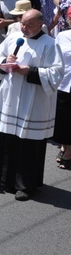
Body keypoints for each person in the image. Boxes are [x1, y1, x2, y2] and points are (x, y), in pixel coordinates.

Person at [0, 9, 63, 201]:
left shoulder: (50, 44)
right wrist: (5, 62)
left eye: (29, 25)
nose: (24, 28)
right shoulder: (13, 37)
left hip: (33, 100)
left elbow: (57, 73)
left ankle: (24, 185)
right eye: (23, 24)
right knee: (5, 137)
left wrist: (31, 71)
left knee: (27, 143)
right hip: (10, 96)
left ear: (40, 24)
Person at [54, 17, 71, 169]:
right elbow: (56, 59)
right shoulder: (62, 36)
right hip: (64, 84)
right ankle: (65, 146)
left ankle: (68, 152)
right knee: (63, 119)